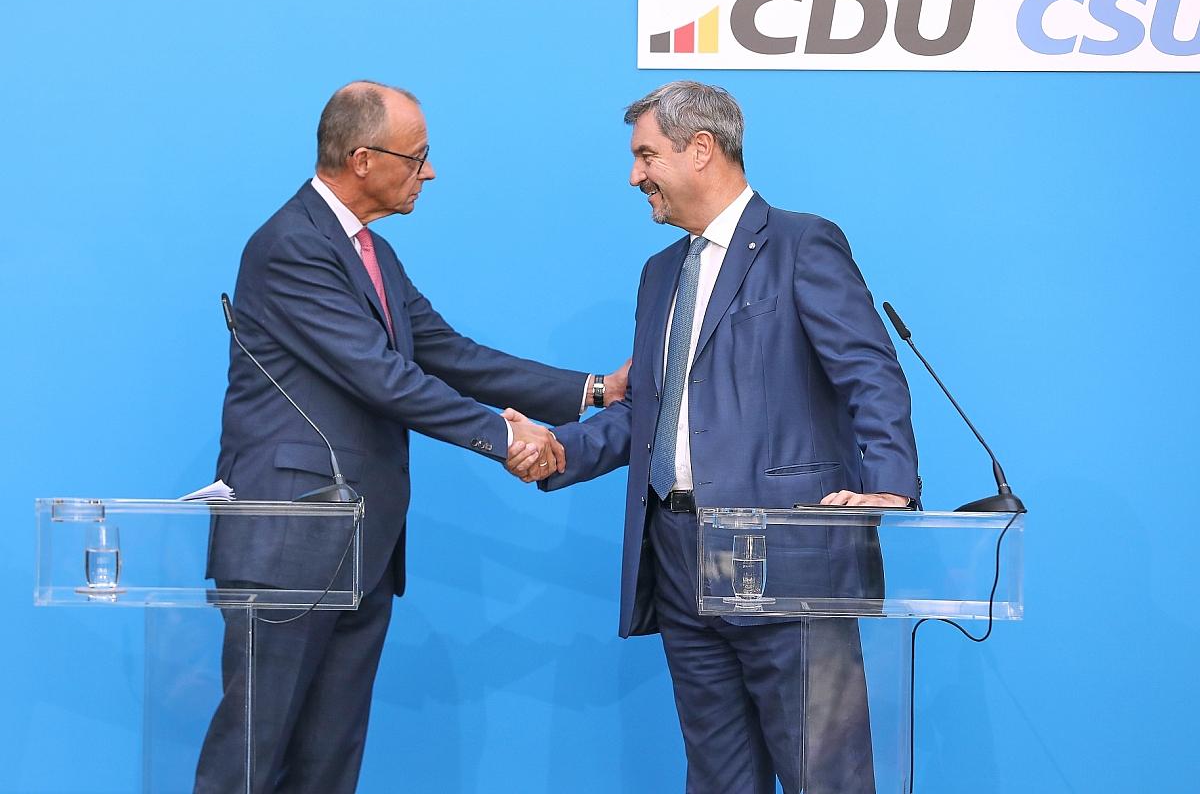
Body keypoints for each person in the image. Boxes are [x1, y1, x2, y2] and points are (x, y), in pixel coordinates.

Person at [195, 80, 628, 794]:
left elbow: (449, 353)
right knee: (251, 757)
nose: (429, 172)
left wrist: (596, 390)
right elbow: (383, 378)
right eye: (417, 156)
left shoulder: (373, 254)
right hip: (291, 544)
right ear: (363, 159)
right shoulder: (291, 246)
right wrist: (504, 438)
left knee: (328, 764)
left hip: (361, 546)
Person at [507, 81, 919, 794]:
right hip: (678, 555)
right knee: (718, 777)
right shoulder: (660, 273)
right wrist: (561, 450)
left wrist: (889, 485)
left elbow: (869, 373)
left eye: (646, 156)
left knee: (826, 777)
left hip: (785, 552)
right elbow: (651, 413)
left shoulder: (801, 244)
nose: (634, 176)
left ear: (700, 149)